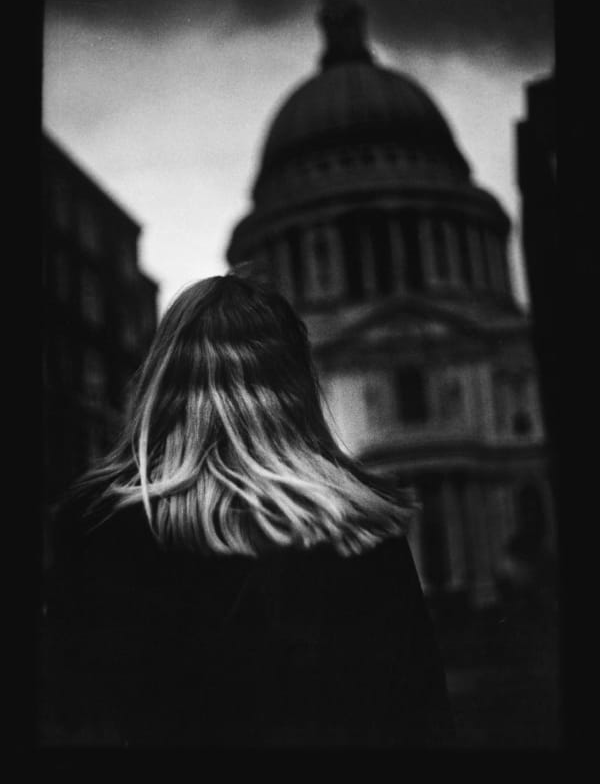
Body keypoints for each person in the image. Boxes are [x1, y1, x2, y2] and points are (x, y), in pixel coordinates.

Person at [40, 270, 455, 748]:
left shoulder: (92, 522)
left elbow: (67, 717)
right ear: (295, 385)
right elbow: (419, 723)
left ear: (164, 376)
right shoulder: (361, 525)